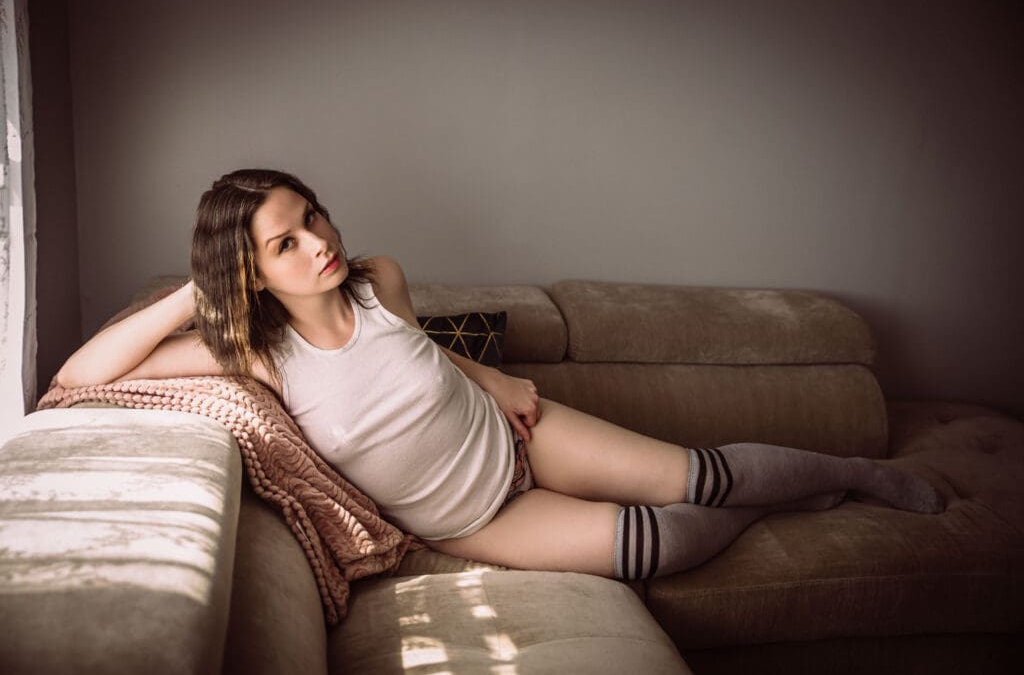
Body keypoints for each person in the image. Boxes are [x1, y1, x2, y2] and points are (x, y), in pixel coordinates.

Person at [57, 169, 945, 581]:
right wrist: (196, 292)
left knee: (698, 472)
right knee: (663, 544)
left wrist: (494, 384)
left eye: (312, 217)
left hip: (526, 438)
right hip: (481, 518)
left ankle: (853, 475)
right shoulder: (253, 350)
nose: (320, 242)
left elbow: (413, 351)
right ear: (252, 274)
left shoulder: (379, 280)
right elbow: (78, 376)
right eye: (285, 243)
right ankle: (770, 506)